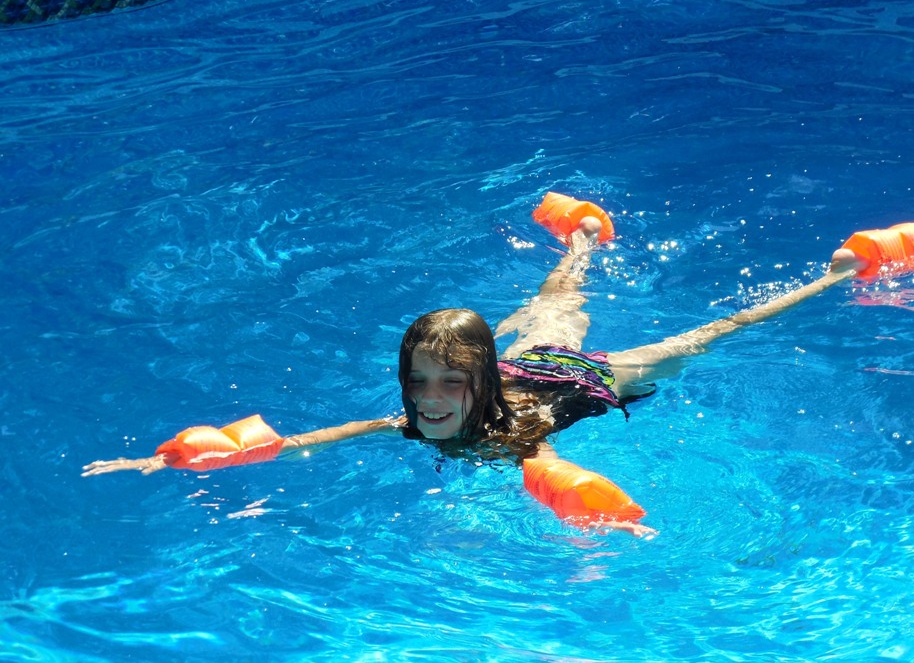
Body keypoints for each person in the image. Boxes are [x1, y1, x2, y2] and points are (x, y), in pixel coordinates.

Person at [82, 195, 873, 538]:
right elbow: (319, 439)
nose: (427, 401)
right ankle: (582, 236)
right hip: (520, 359)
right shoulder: (420, 415)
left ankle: (834, 276)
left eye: (446, 385)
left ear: (478, 386)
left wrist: (602, 515)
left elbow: (545, 465)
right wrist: (179, 457)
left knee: (706, 337)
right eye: (418, 382)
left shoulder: (508, 429)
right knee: (552, 297)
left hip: (576, 380)